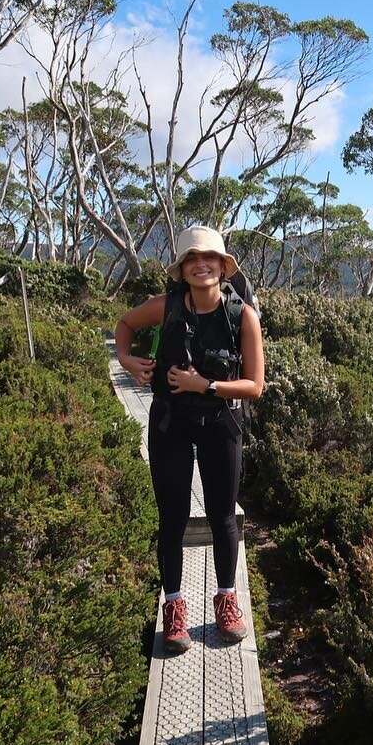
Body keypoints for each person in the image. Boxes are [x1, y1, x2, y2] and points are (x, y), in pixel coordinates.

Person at [115, 226, 265, 652]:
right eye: (193, 258)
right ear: (182, 269)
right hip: (170, 425)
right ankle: (175, 607)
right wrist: (127, 361)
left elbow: (255, 385)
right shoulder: (166, 306)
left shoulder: (243, 317)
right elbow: (124, 324)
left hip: (221, 424)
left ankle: (225, 600)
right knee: (173, 518)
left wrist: (205, 385)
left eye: (210, 258)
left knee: (221, 516)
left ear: (222, 266)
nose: (202, 264)